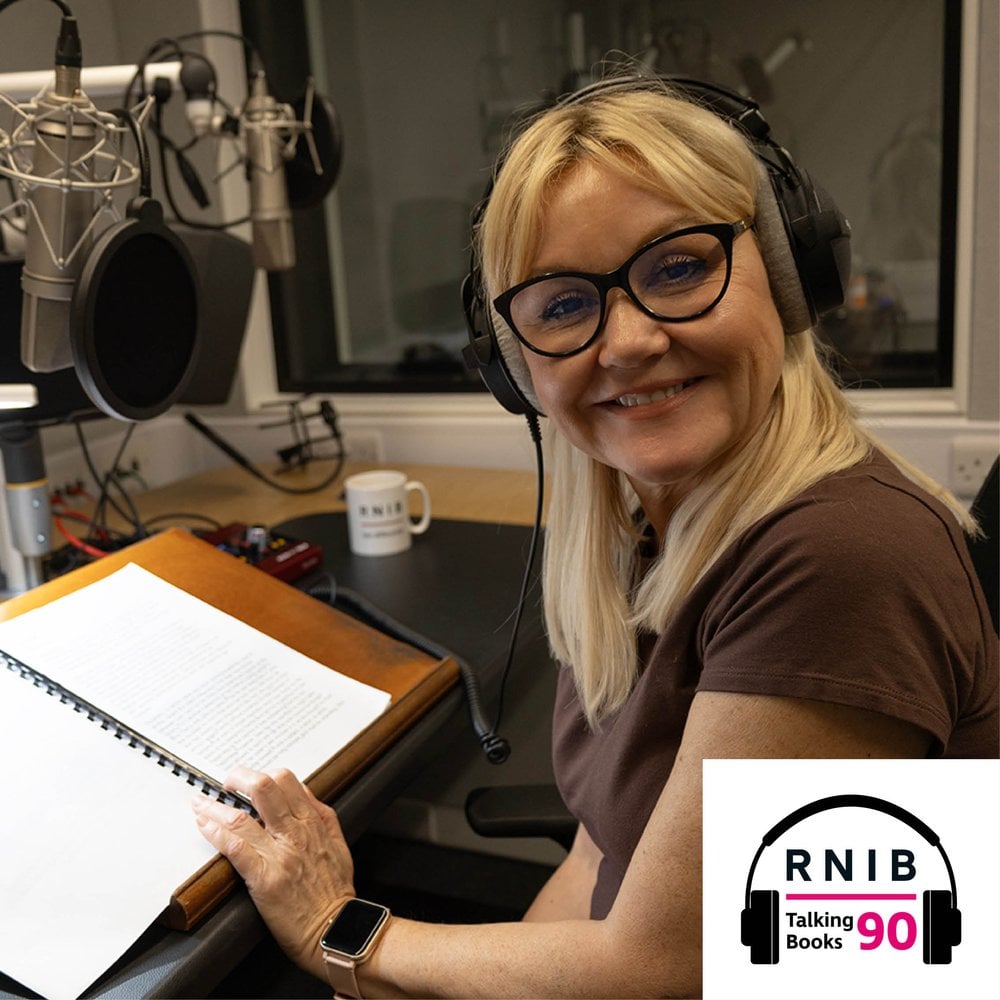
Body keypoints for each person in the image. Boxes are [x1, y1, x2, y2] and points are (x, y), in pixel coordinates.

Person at [191, 76, 998, 998]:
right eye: (565, 305)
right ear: (515, 365)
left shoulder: (842, 559)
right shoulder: (648, 530)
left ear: (784, 274)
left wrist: (343, 939)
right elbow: (596, 870)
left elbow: (665, 965)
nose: (628, 341)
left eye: (680, 267)